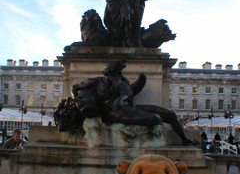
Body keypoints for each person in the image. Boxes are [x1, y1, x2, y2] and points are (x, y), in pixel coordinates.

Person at [71, 59, 199, 146]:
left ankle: (185, 139)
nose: (119, 76)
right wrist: (77, 100)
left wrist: (122, 98)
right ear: (109, 73)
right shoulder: (97, 82)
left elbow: (128, 94)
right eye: (117, 73)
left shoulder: (122, 82)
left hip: (130, 108)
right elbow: (75, 87)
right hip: (113, 112)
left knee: (170, 114)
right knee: (155, 118)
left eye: (120, 73)